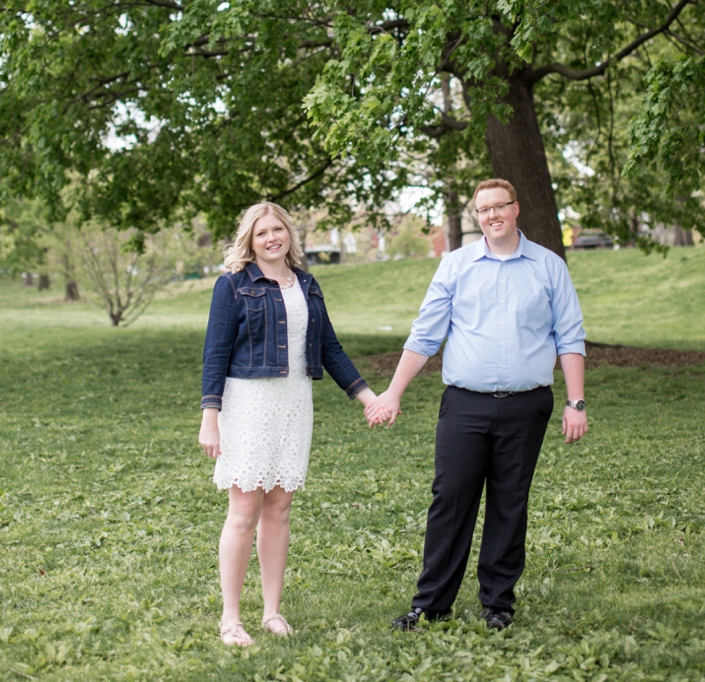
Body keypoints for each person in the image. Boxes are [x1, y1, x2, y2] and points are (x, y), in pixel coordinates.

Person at [369, 178, 588, 631]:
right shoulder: (455, 266)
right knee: (450, 500)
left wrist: (576, 402)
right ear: (477, 216)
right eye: (483, 209)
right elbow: (426, 334)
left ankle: (498, 605)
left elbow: (570, 337)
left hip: (527, 406)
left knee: (510, 501)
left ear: (516, 208)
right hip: (464, 405)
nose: (492, 216)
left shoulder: (549, 267)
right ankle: (430, 604)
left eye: (499, 206)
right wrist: (392, 392)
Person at [199, 201, 386, 646]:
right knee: (244, 510)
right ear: (250, 239)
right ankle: (230, 618)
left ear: (289, 235)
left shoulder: (307, 284)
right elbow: (215, 353)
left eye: (277, 230)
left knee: (279, 509)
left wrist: (367, 397)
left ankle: (271, 612)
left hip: (294, 403)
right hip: (247, 404)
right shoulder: (232, 286)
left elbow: (329, 348)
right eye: (261, 232)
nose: (271, 238)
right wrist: (210, 417)